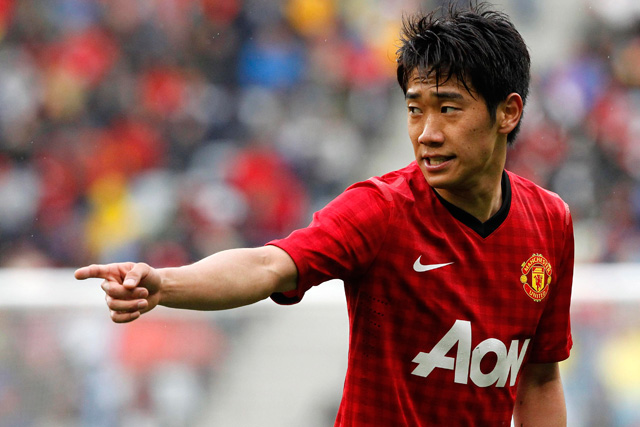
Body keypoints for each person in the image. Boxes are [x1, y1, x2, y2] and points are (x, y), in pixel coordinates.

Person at [75, 3, 573, 426]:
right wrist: (165, 284)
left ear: (507, 112)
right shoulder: (381, 209)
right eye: (414, 109)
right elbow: (269, 265)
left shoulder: (550, 223)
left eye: (448, 109)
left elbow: (540, 376)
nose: (427, 132)